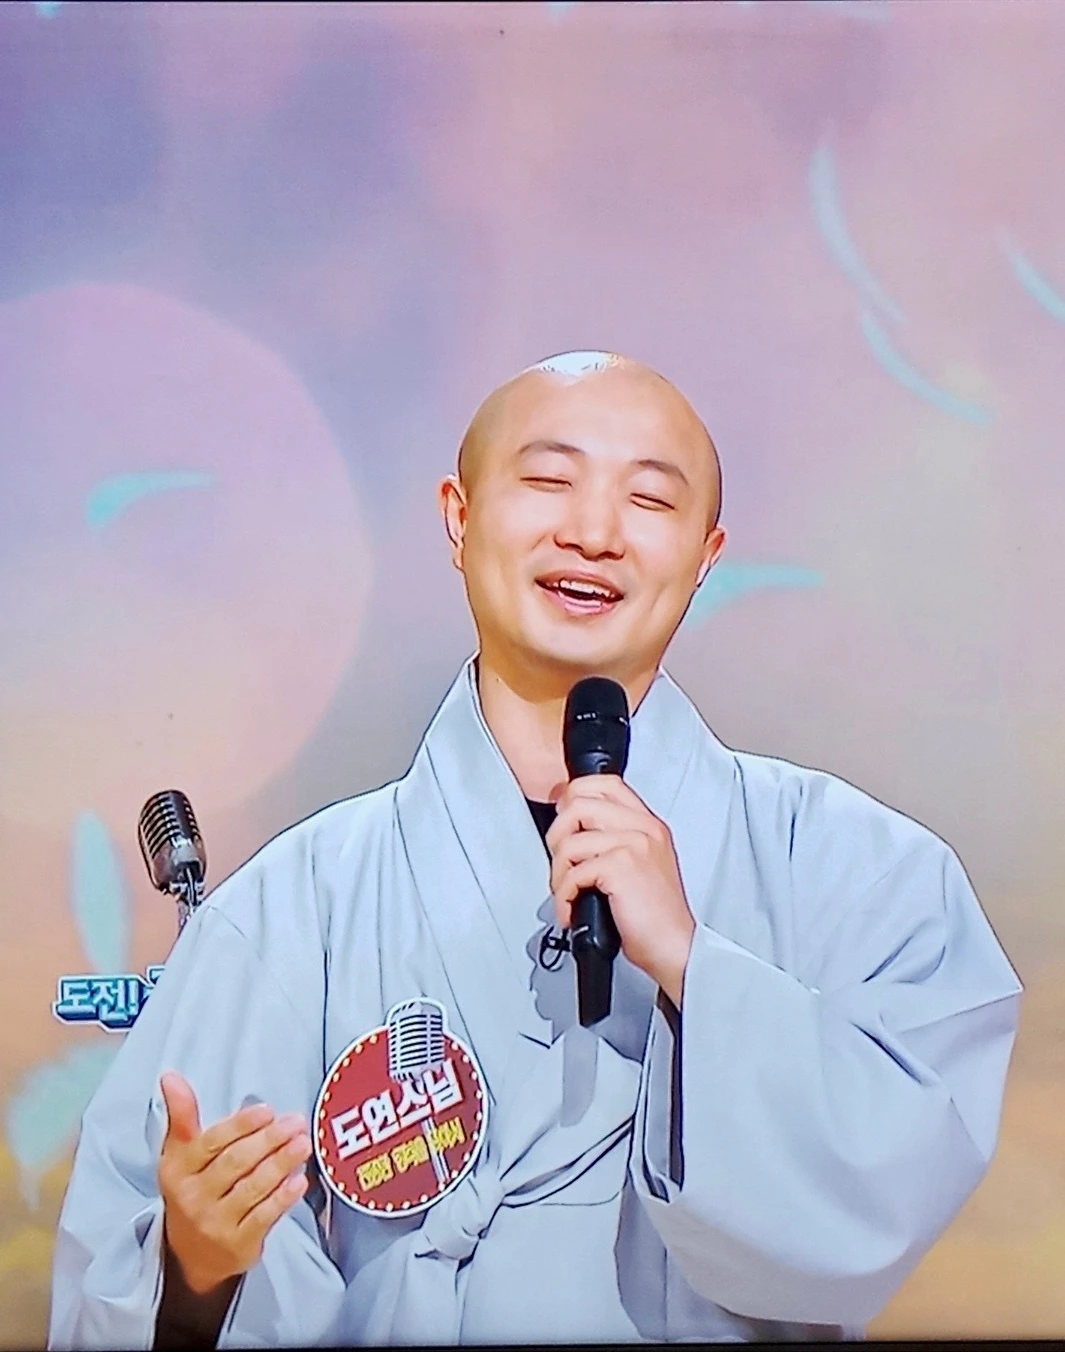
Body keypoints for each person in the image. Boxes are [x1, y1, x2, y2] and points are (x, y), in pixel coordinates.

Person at [49, 350, 1021, 1348]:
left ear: (706, 554)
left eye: (649, 499)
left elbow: (886, 1188)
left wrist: (693, 964)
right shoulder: (290, 909)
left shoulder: (860, 870)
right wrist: (193, 1271)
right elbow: (133, 1268)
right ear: (458, 516)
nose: (593, 533)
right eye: (551, 480)